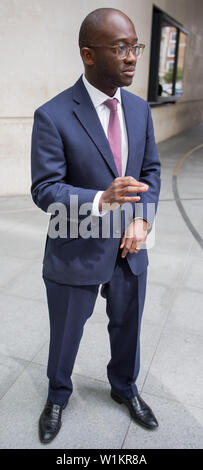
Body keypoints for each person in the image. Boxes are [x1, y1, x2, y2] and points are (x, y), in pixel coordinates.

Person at [31, 7, 161, 444]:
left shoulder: (141, 110)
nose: (131, 57)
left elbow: (152, 172)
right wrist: (99, 200)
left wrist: (142, 219)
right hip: (77, 246)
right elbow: (45, 189)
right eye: (120, 48)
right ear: (88, 55)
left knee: (128, 326)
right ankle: (57, 395)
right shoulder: (52, 115)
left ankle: (124, 387)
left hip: (130, 246)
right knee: (66, 331)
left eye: (135, 46)